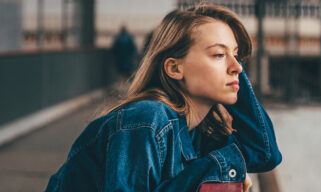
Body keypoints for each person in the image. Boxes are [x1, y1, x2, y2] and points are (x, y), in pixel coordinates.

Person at [45, 5, 282, 192]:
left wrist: (232, 77)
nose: (237, 67)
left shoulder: (200, 133)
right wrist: (214, 169)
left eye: (237, 56)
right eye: (219, 54)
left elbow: (265, 154)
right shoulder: (146, 120)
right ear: (175, 68)